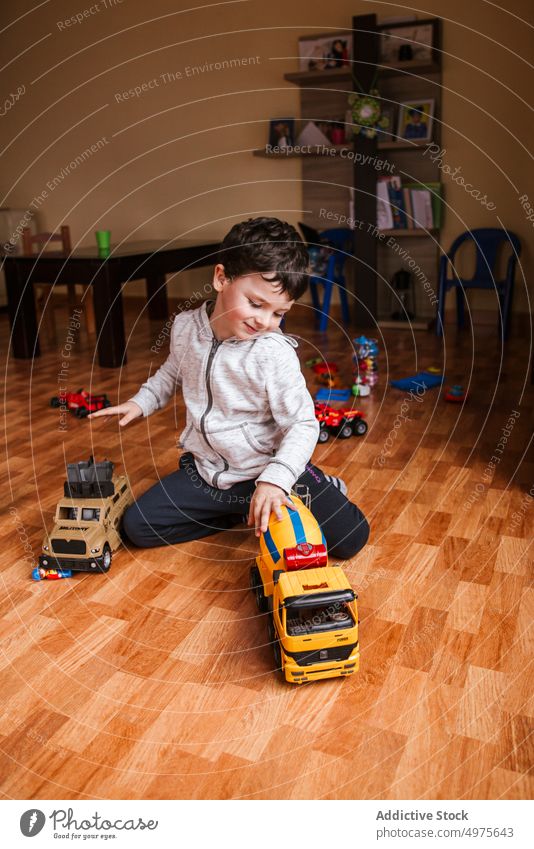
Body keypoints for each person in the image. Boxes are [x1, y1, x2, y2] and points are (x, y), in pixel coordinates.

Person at [90, 217, 369, 559]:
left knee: (350, 537)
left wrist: (275, 479)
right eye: (255, 303)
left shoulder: (272, 352)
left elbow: (303, 423)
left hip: (268, 469)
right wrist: (140, 402)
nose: (265, 321)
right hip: (209, 473)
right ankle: (240, 511)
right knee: (139, 527)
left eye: (278, 313)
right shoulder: (184, 328)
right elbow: (172, 372)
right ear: (221, 278)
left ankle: (299, 487)